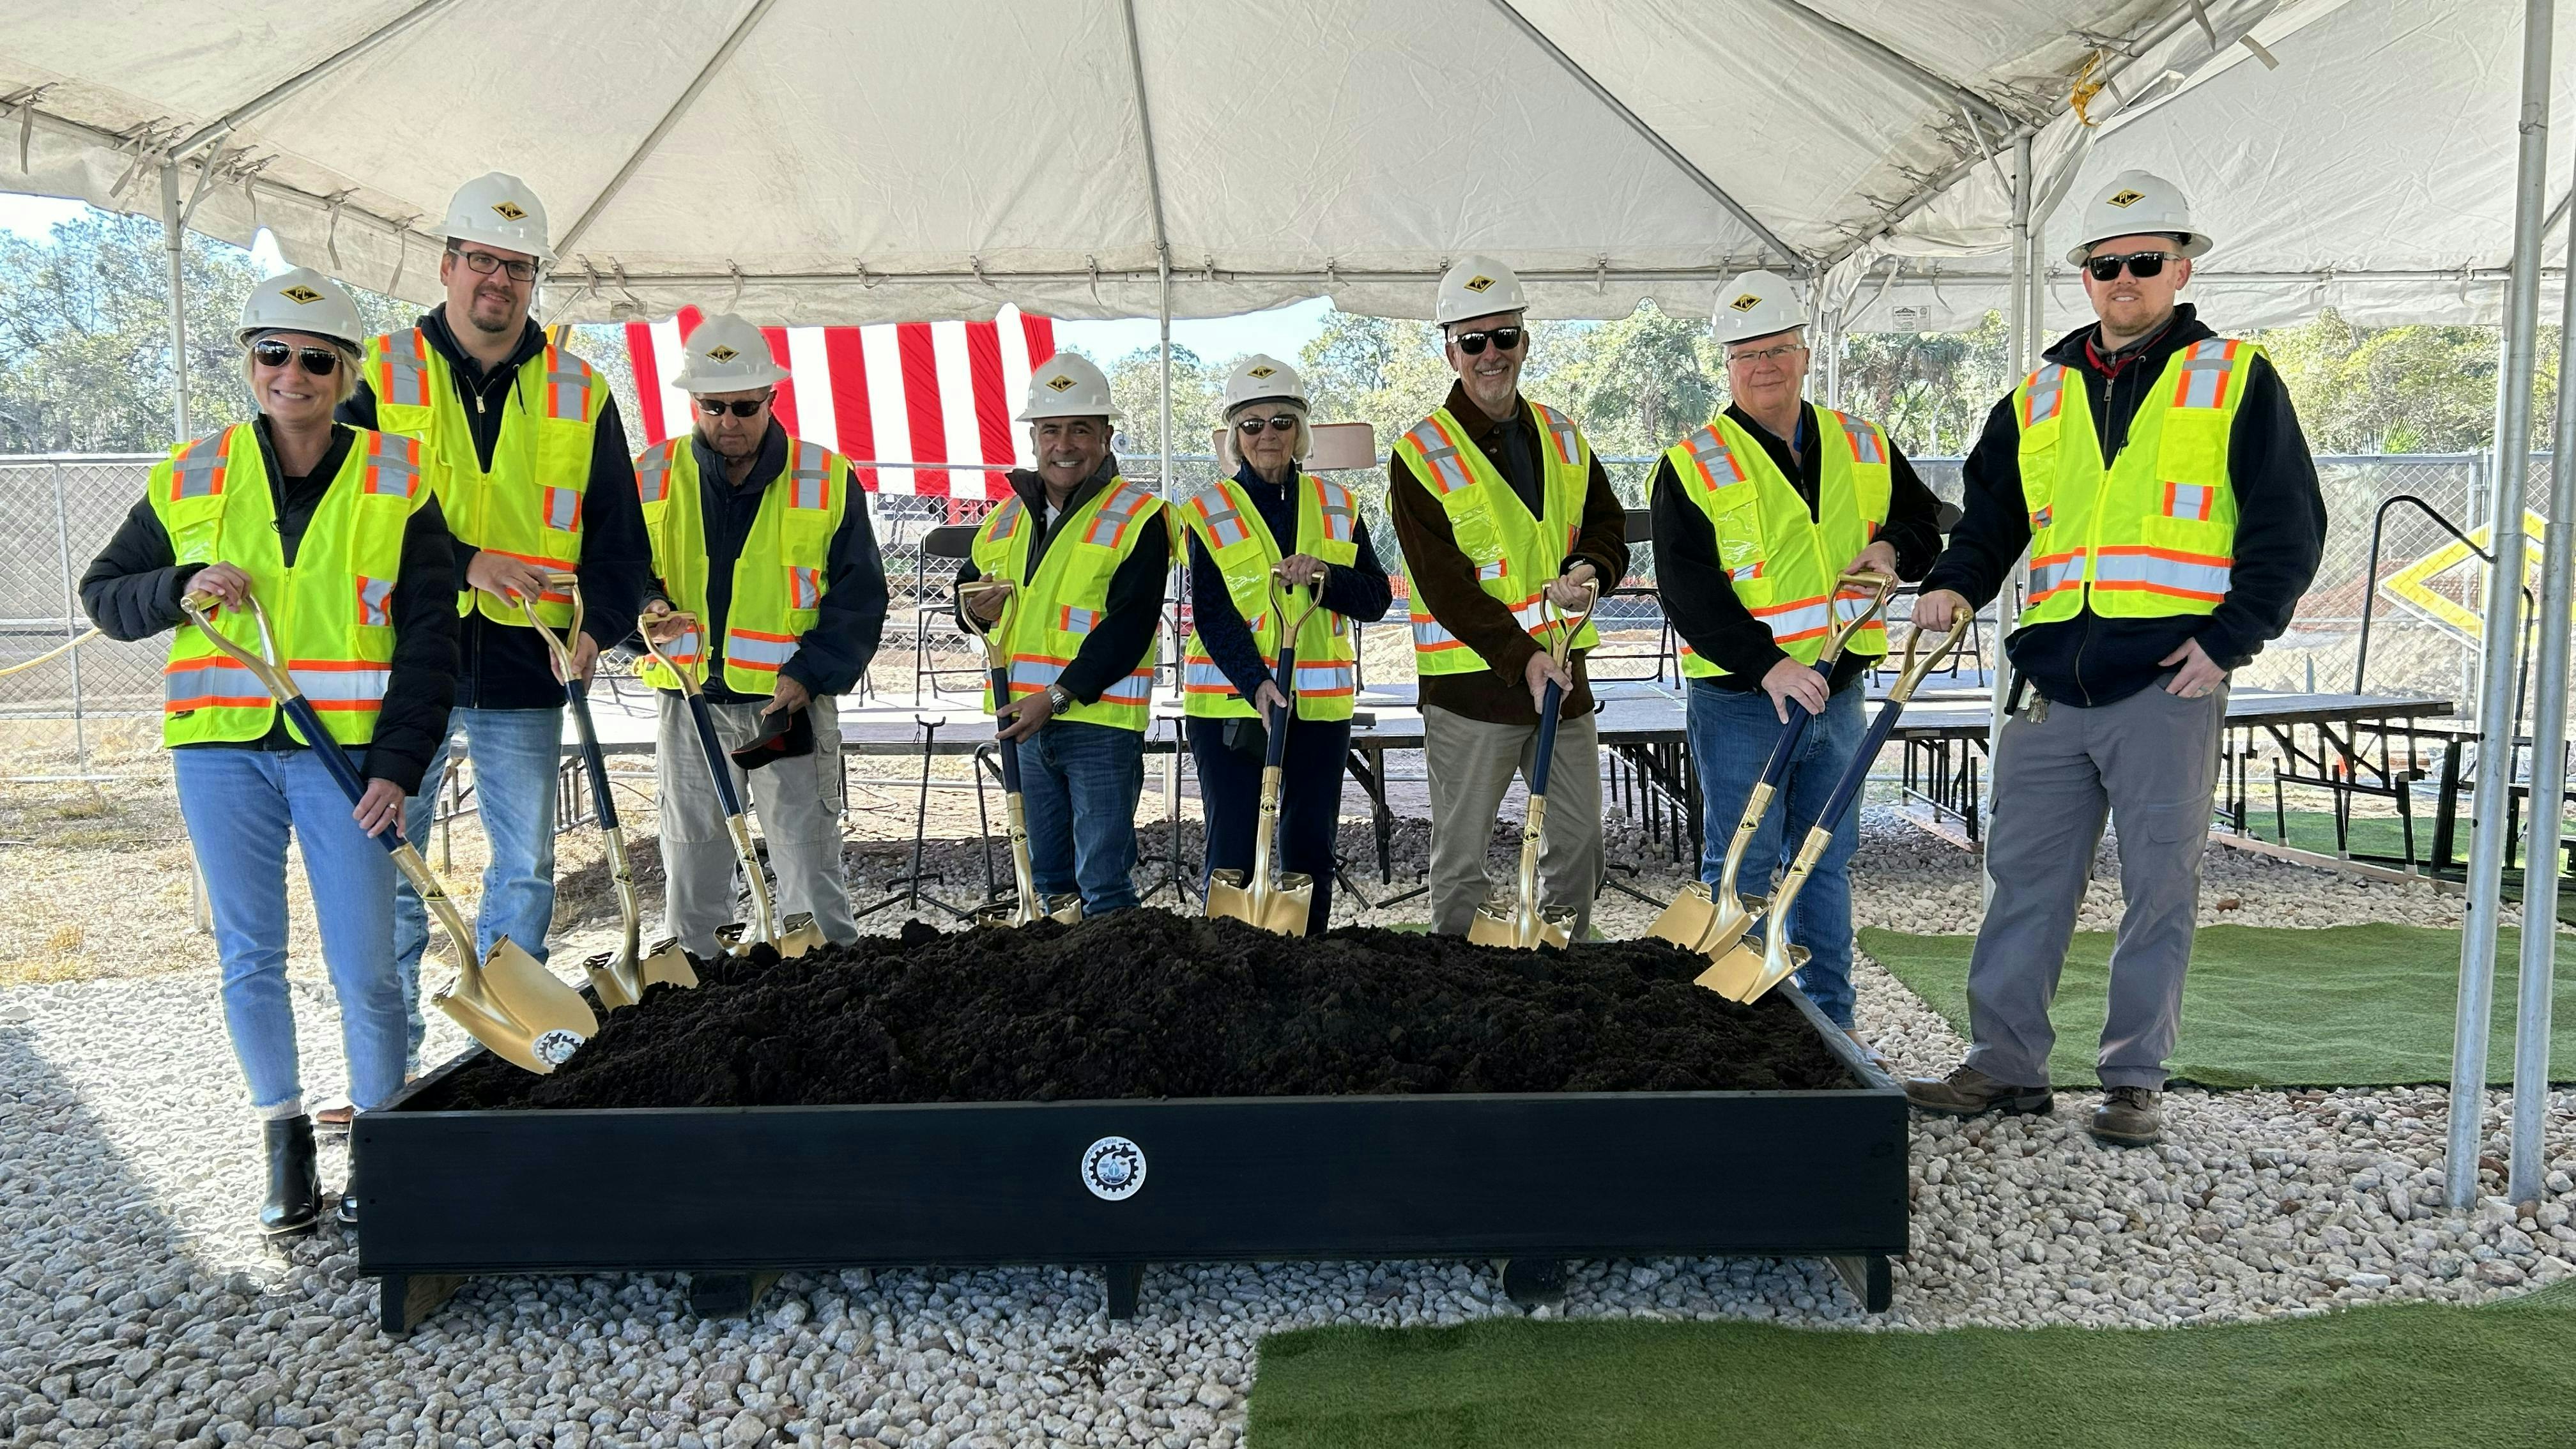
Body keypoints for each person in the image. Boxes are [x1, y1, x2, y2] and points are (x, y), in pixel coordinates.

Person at [1902, 170, 2326, 1146]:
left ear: (2180, 269)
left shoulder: (2235, 379)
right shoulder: (2039, 394)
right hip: (2051, 687)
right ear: (2084, 278)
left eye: (2143, 262)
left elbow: (2289, 528)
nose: (2123, 279)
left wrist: (2228, 643)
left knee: (2157, 889)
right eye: (2105, 265)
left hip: (2165, 686)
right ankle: (2006, 1067)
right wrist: (1957, 584)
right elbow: (1993, 522)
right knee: (2022, 881)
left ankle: (2133, 1079)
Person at [80, 270, 456, 1234]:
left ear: (346, 372)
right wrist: (177, 584)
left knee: (366, 962)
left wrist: (399, 767)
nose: (293, 373)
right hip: (220, 748)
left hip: (350, 760)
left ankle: (384, 1142)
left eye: (316, 358)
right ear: (250, 363)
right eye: (273, 354)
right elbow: (106, 596)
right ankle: (284, 1146)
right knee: (251, 956)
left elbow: (430, 640)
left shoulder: (397, 476)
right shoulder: (192, 472)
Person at [339, 172, 648, 1081]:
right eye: (481, 260)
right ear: (446, 265)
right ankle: (386, 1079)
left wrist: (598, 632)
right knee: (398, 874)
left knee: (525, 871)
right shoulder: (377, 374)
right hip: (404, 662)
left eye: (517, 266)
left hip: (528, 665)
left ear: (534, 279)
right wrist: (467, 561)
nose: (497, 282)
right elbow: (345, 517)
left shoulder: (580, 390)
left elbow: (621, 547)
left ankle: (500, 1070)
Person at [1650, 270, 1943, 1059]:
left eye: (1777, 348)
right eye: (1745, 354)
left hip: (1838, 690)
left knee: (1824, 861)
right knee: (1737, 864)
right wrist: (1766, 666)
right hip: (1744, 699)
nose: (1763, 366)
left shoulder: (1864, 443)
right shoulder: (1692, 464)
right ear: (1727, 365)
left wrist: (1894, 546)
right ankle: (1726, 1035)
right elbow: (1688, 589)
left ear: (1806, 353)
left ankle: (1832, 1024)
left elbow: (1926, 524)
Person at [631, 314, 887, 956]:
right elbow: (620, 570)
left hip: (785, 708)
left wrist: (811, 673)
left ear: (773, 398)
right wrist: (646, 604)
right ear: (695, 402)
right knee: (693, 878)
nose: (729, 421)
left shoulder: (825, 478)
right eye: (713, 406)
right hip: (689, 707)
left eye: (745, 406)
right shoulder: (652, 474)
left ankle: (827, 1003)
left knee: (807, 873)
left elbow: (859, 599)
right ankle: (700, 1008)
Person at [1389, 256, 1629, 940]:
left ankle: (1560, 979)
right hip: (1472, 691)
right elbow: (1443, 587)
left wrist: (1591, 568)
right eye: (1473, 340)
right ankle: (1461, 998)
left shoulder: (1564, 435)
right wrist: (1521, 658)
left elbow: (1609, 527)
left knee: (1580, 848)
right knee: (1464, 865)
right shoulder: (1421, 454)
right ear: (1450, 351)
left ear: (1526, 341)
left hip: (1564, 680)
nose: (1490, 354)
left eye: (1504, 337)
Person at [1179, 355, 1392, 933]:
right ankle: (1224, 969)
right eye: (1251, 424)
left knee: (1308, 851)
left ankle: (1307, 962)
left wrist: (1326, 573)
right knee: (1233, 851)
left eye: (1280, 421)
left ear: (1301, 431)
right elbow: (1213, 615)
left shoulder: (1339, 506)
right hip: (1231, 709)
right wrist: (1259, 685)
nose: (1266, 435)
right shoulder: (1208, 512)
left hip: (1318, 708)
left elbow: (1375, 597)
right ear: (1233, 437)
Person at [954, 354, 1172, 916]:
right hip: (1023, 726)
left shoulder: (1140, 517)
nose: (1065, 443)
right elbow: (966, 605)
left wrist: (1054, 698)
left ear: (1106, 436)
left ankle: (1113, 997)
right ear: (1034, 438)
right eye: (1051, 429)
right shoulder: (1003, 519)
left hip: (1096, 726)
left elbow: (1128, 628)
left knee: (1103, 886)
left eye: (1081, 429)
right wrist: (975, 611)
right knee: (1050, 883)